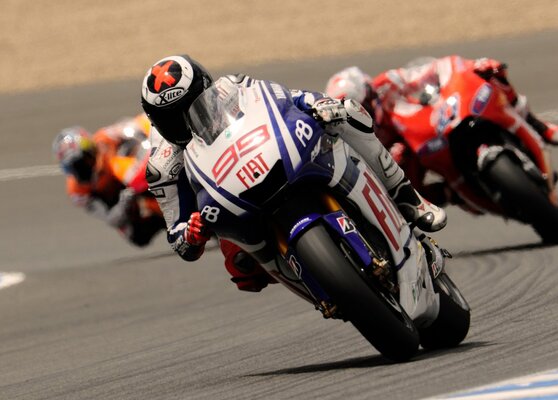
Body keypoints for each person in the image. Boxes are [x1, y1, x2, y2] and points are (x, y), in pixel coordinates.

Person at [140, 55, 447, 292]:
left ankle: (408, 197)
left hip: (271, 157)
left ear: (207, 90)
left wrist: (321, 105)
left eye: (191, 108)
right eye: (172, 119)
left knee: (347, 115)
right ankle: (321, 283)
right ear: (155, 121)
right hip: (226, 202)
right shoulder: (162, 165)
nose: (185, 122)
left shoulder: (233, 88)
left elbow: (286, 98)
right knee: (242, 268)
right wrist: (191, 234)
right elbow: (177, 237)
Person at [325, 56, 558, 205]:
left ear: (369, 91)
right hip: (419, 148)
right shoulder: (358, 131)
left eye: (364, 103)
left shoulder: (389, 82)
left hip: (436, 120)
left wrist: (471, 65)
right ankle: (455, 193)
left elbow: (436, 68)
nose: (364, 110)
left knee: (493, 75)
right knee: (404, 184)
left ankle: (541, 127)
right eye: (354, 110)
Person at [52, 113, 165, 247]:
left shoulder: (104, 138)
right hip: (119, 200)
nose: (81, 170)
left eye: (83, 162)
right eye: (74, 168)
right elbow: (110, 219)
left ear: (91, 150)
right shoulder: (77, 192)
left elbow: (137, 124)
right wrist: (124, 204)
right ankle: (167, 220)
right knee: (136, 235)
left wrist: (148, 145)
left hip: (132, 169)